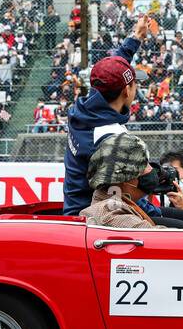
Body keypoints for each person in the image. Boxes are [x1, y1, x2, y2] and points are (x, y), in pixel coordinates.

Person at [61, 15, 154, 215]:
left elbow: (112, 71)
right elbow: (123, 195)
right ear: (126, 91)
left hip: (77, 209)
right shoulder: (111, 136)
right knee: (179, 222)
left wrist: (136, 36)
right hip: (93, 219)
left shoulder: (82, 108)